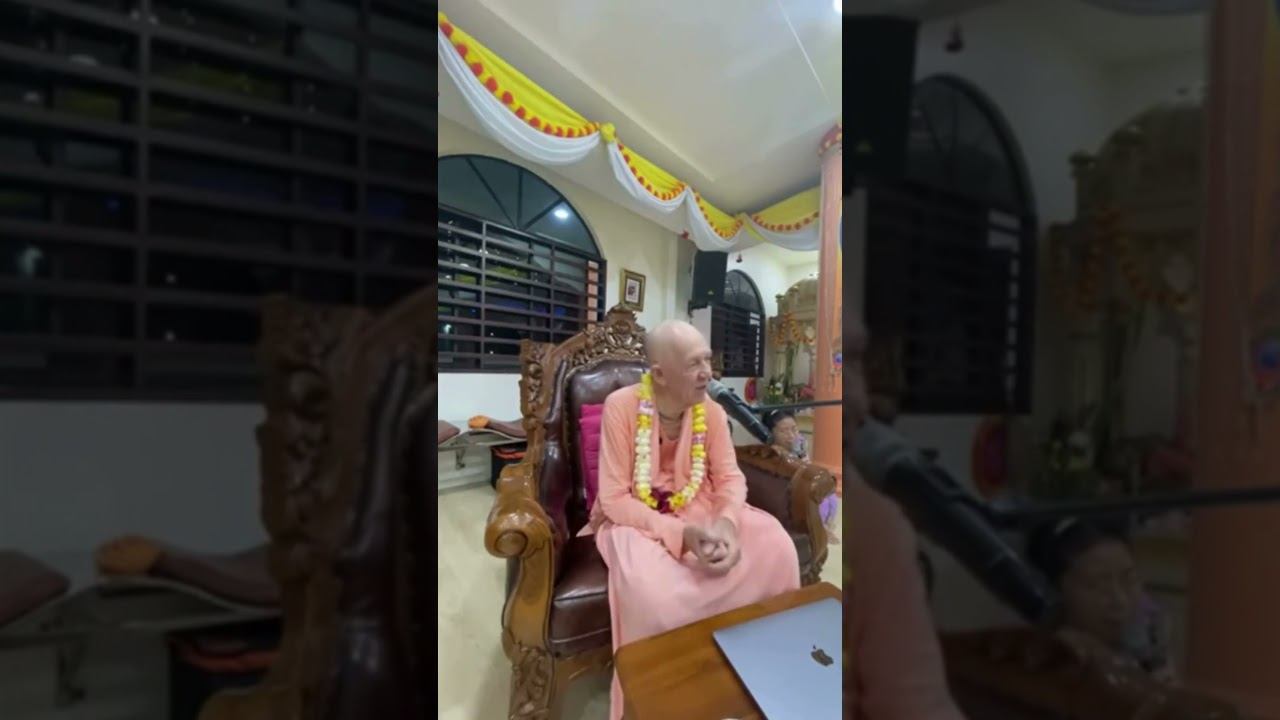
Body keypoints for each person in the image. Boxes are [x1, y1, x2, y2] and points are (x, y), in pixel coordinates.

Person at [580, 319, 800, 720]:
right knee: (653, 594)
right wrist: (681, 534)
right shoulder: (621, 407)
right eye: (694, 364)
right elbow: (613, 499)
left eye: (708, 360)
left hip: (702, 503)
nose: (707, 373)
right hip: (636, 517)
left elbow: (730, 479)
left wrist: (727, 524)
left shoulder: (711, 411)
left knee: (777, 546)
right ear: (660, 374)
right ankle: (671, 695)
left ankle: (764, 670)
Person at [845, 317, 966, 720]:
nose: (859, 401)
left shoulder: (869, 524)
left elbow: (914, 704)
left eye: (855, 362)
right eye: (830, 359)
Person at [1027, 517, 1175, 682]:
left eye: (1129, 580)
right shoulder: (1052, 663)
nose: (1119, 600)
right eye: (1095, 585)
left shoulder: (1146, 640)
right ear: (1057, 590)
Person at [764, 409, 839, 543]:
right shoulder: (773, 452)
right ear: (771, 433)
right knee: (815, 501)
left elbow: (808, 467)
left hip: (803, 483)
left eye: (794, 429)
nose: (791, 435)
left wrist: (804, 458)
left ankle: (824, 528)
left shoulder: (799, 444)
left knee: (831, 496)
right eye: (784, 431)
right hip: (786, 492)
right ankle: (817, 531)